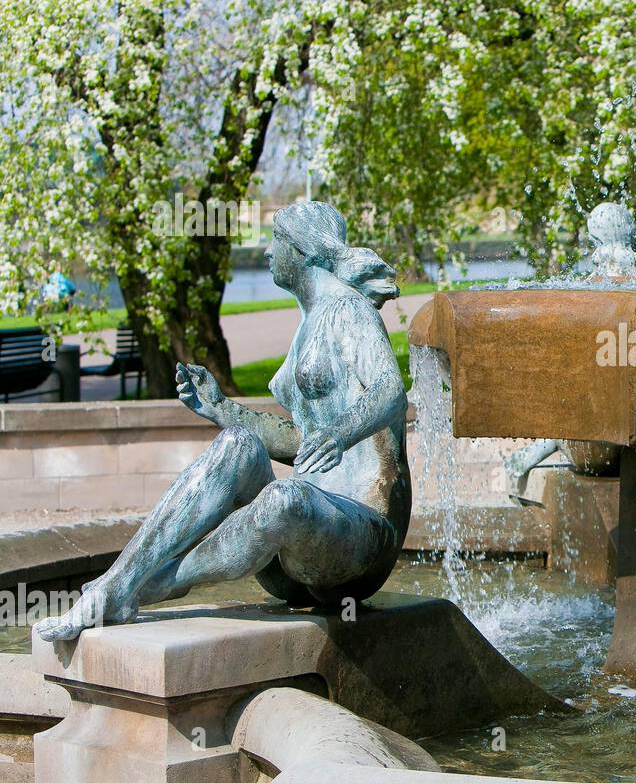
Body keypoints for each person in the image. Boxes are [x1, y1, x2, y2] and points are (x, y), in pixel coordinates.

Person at [36, 202, 411, 641]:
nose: (268, 252)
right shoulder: (307, 324)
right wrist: (221, 409)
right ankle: (118, 582)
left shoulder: (349, 312)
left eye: (277, 241)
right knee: (237, 443)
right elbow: (303, 441)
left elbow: (390, 390)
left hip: (359, 545)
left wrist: (340, 432)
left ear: (305, 251)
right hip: (295, 551)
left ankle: (144, 587)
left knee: (284, 497)